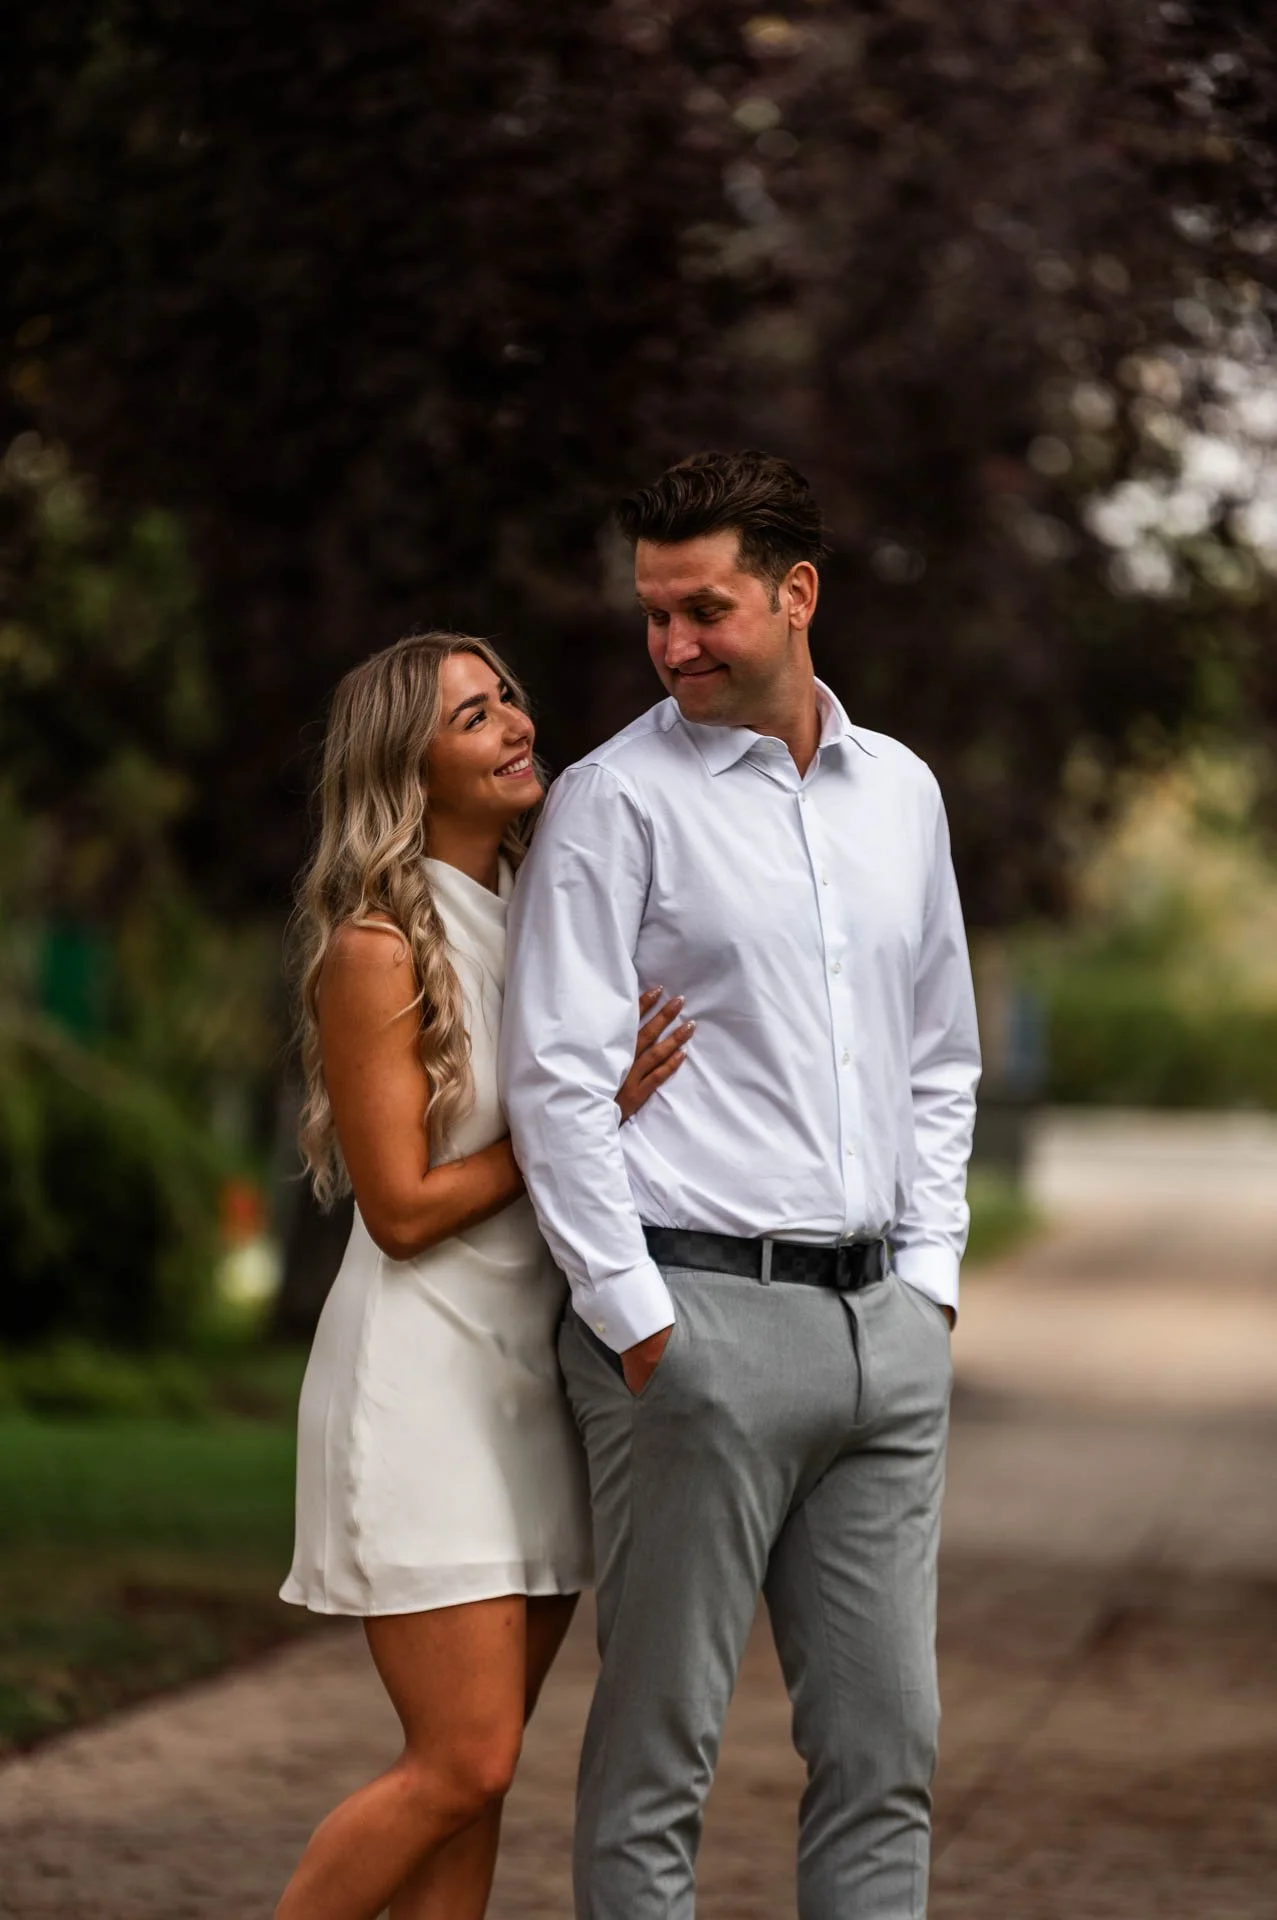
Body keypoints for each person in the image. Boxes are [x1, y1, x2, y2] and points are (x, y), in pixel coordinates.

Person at [500, 450, 982, 1920]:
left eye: (703, 609)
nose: (672, 644)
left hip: (881, 1335)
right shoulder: (613, 801)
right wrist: (641, 1323)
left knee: (888, 1755)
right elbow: (557, 1081)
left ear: (797, 594)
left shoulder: (902, 793)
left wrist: (929, 1282)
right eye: (654, 614)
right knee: (659, 1768)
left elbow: (940, 1055)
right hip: (692, 1322)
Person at [275, 631, 693, 1920]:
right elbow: (400, 1210)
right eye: (474, 716)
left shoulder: (546, 915)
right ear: (408, 766)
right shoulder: (377, 948)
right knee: (462, 1761)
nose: (516, 722)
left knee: (476, 1786)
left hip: (536, 1387)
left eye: (506, 697)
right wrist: (578, 1122)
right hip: (422, 1380)